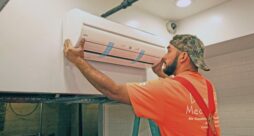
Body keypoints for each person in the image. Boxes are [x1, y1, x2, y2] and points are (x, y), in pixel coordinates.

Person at [64, 34, 221, 136]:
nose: (164, 57)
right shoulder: (208, 86)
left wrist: (78, 60)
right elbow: (182, 93)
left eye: (169, 51)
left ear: (183, 57)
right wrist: (161, 74)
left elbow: (113, 91)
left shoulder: (166, 89)